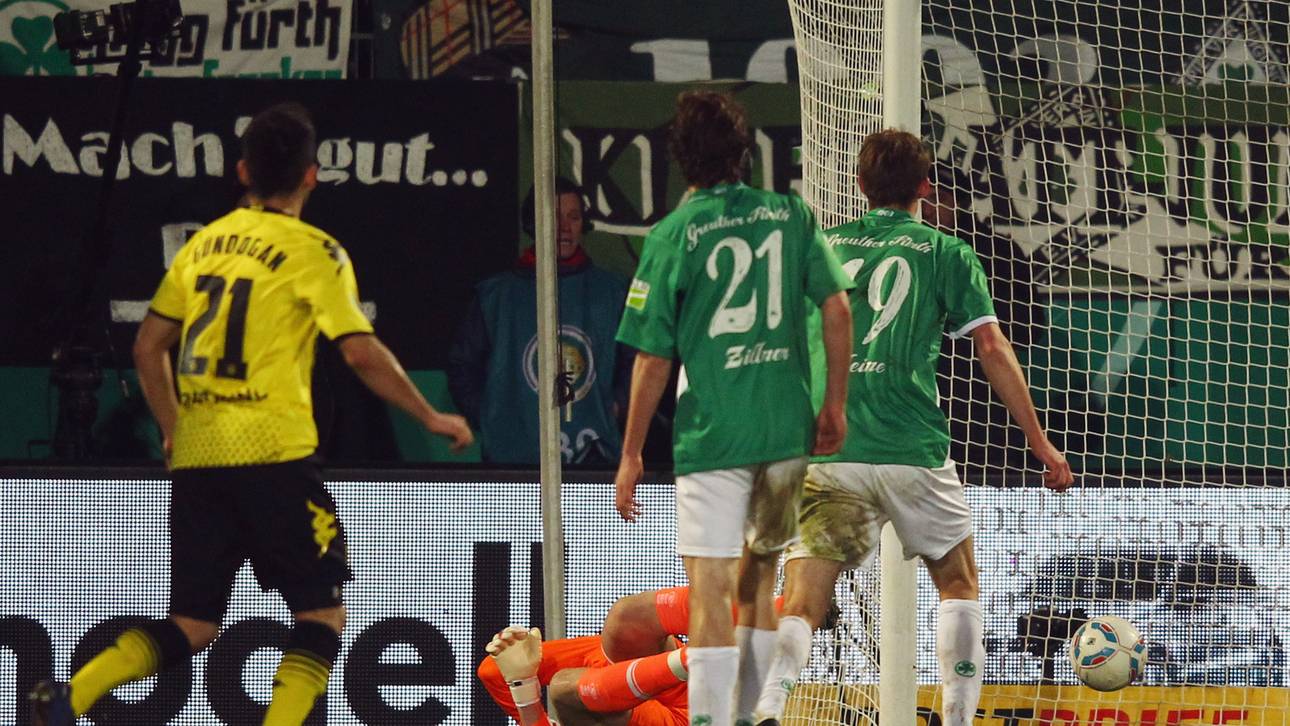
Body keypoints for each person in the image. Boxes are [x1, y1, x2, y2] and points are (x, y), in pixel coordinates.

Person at [29, 102, 473, 726]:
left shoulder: (202, 245)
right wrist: (430, 415)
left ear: (242, 171)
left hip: (200, 455)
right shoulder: (314, 249)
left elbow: (147, 347)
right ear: (312, 174)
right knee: (321, 618)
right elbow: (360, 351)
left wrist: (172, 427)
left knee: (193, 623)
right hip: (273, 454)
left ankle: (69, 695)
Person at [752, 129, 1074, 726]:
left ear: (858, 185)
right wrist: (1041, 443)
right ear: (925, 187)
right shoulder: (946, 252)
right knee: (957, 583)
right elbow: (991, 347)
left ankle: (771, 704)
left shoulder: (818, 248)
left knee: (802, 600)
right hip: (912, 447)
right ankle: (955, 718)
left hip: (831, 448)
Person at [613, 90, 854, 726]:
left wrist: (632, 453)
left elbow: (652, 360)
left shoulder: (672, 235)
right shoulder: (791, 215)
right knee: (759, 578)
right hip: (783, 432)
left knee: (712, 587)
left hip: (711, 438)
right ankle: (750, 716)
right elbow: (837, 306)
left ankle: (713, 721)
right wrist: (834, 404)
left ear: (679, 160)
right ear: (745, 154)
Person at [448, 176, 631, 465]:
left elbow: (636, 362)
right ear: (533, 223)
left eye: (573, 217)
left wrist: (618, 407)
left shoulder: (614, 292)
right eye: (554, 217)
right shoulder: (495, 296)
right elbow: (462, 367)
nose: (564, 227)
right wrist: (492, 418)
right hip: (512, 465)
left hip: (596, 460)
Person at [478, 587, 696, 726]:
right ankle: (700, 653)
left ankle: (717, 631)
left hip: (633, 681)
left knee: (626, 618)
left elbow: (494, 671)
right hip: (687, 710)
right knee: (563, 689)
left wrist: (522, 682)